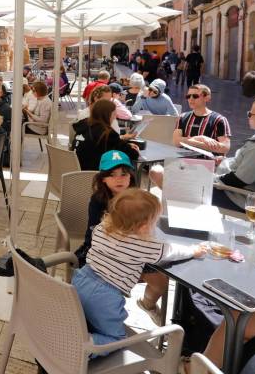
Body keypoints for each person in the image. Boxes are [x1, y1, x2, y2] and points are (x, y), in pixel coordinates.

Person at [72, 189, 204, 349]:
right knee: (115, 339)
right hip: (105, 296)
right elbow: (170, 251)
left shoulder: (101, 228)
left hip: (81, 280)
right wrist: (193, 250)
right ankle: (81, 345)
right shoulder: (144, 246)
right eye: (153, 222)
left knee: (85, 317)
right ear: (142, 227)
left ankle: (77, 333)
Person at [74, 150, 136, 267]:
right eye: (112, 175)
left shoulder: (136, 199)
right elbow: (94, 233)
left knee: (159, 276)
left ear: (130, 177)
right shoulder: (98, 200)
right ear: (103, 178)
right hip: (100, 248)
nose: (119, 179)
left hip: (129, 248)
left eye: (124, 174)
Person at [72, 100, 140, 171]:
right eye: (114, 113)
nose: (115, 117)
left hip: (76, 173)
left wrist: (126, 145)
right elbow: (133, 154)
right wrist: (134, 150)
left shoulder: (84, 126)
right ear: (108, 115)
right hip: (94, 174)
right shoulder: (107, 133)